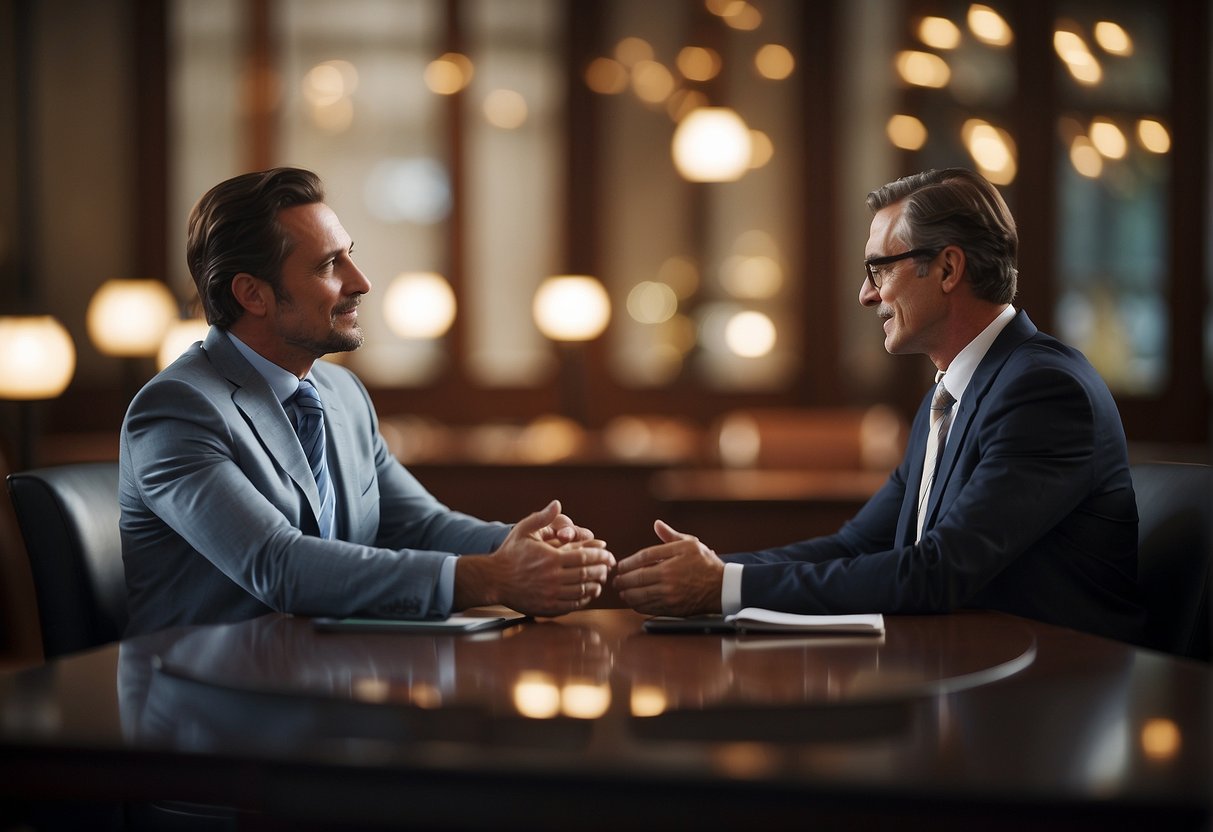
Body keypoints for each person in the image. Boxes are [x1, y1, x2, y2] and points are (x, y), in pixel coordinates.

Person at [615, 167, 1145, 644]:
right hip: (974, 666)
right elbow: (857, 545)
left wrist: (720, 585)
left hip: (1056, 688)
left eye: (879, 270)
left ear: (947, 269)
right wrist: (707, 570)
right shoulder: (950, 394)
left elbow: (938, 572)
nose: (866, 295)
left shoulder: (1044, 391)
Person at [119, 167, 614, 636]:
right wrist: (491, 578)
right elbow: (278, 565)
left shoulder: (342, 394)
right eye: (329, 265)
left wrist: (521, 547)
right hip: (206, 704)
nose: (360, 281)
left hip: (327, 683)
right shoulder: (177, 410)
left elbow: (418, 524)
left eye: (349, 254)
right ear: (252, 294)